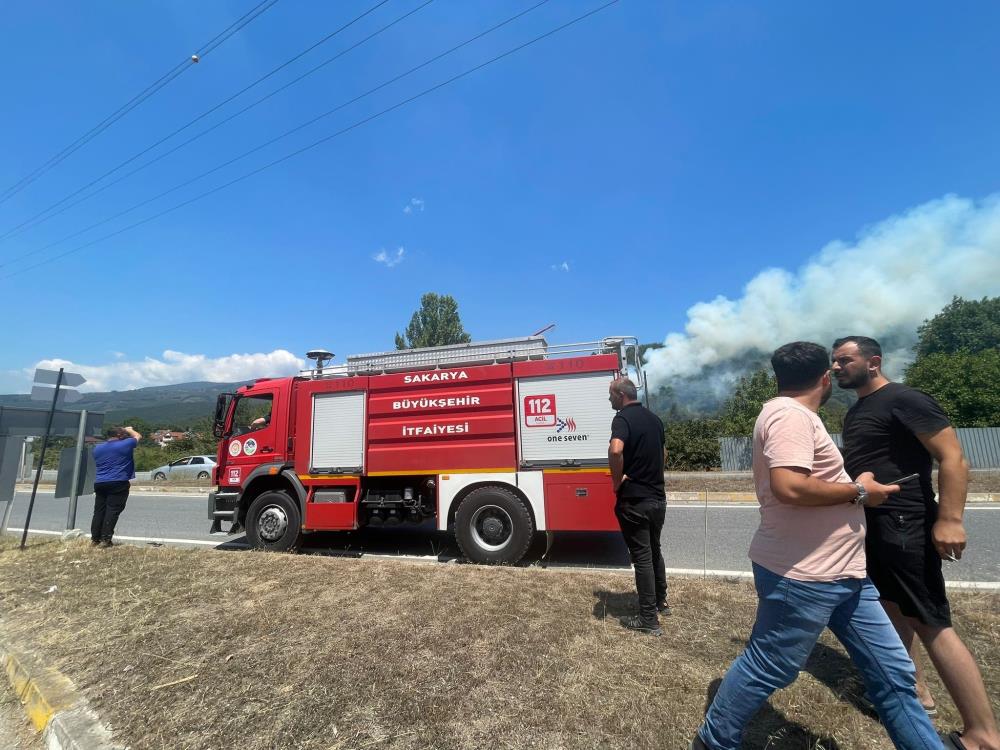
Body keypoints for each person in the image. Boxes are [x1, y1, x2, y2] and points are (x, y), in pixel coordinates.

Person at [693, 342, 941, 750]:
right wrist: (861, 491)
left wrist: (852, 485)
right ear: (825, 378)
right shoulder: (790, 416)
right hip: (804, 574)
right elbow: (789, 486)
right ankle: (713, 741)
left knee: (894, 673)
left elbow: (812, 481)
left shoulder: (797, 416)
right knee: (770, 664)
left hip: (846, 573)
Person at [833, 336, 1000, 750]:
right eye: (833, 362)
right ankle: (918, 693)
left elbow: (953, 457)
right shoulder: (857, 410)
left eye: (844, 360)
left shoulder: (905, 399)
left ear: (873, 362)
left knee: (931, 620)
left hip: (906, 519)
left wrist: (950, 519)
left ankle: (983, 734)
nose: (836, 367)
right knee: (893, 608)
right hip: (875, 522)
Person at [608, 377, 668, 636]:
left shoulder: (622, 419)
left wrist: (616, 480)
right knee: (655, 550)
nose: (609, 399)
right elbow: (664, 453)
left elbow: (615, 450)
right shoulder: (654, 419)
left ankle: (648, 619)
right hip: (657, 498)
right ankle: (661, 602)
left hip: (635, 500)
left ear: (621, 395)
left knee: (642, 557)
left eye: (610, 395)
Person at [91, 425, 141, 548]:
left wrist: (124, 432)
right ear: (119, 435)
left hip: (100, 482)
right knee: (112, 511)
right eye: (123, 434)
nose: (125, 436)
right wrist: (129, 429)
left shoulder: (97, 448)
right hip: (118, 482)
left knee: (99, 511)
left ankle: (95, 539)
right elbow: (138, 436)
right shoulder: (126, 444)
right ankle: (106, 539)